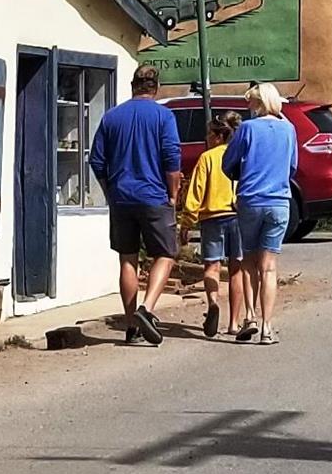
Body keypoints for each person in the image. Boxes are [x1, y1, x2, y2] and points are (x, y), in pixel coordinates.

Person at [86, 64, 183, 344]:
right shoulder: (164, 117)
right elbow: (171, 160)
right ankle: (147, 309)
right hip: (154, 196)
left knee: (127, 259)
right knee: (165, 254)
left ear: (132, 85)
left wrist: (109, 190)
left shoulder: (111, 117)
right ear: (156, 87)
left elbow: (97, 161)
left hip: (121, 198)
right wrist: (173, 195)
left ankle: (131, 325)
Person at [221, 82, 300, 343]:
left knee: (248, 262)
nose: (249, 108)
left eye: (251, 103)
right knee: (269, 267)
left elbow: (228, 162)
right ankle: (267, 327)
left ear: (259, 103)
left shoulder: (247, 129)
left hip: (251, 200)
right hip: (279, 201)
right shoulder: (289, 129)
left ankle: (250, 316)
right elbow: (292, 166)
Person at [180, 107, 245, 339]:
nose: (206, 138)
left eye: (209, 134)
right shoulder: (241, 156)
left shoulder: (207, 158)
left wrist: (187, 221)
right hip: (237, 216)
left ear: (218, 136)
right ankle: (234, 323)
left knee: (212, 267)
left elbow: (195, 192)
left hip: (211, 219)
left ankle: (213, 303)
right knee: (236, 270)